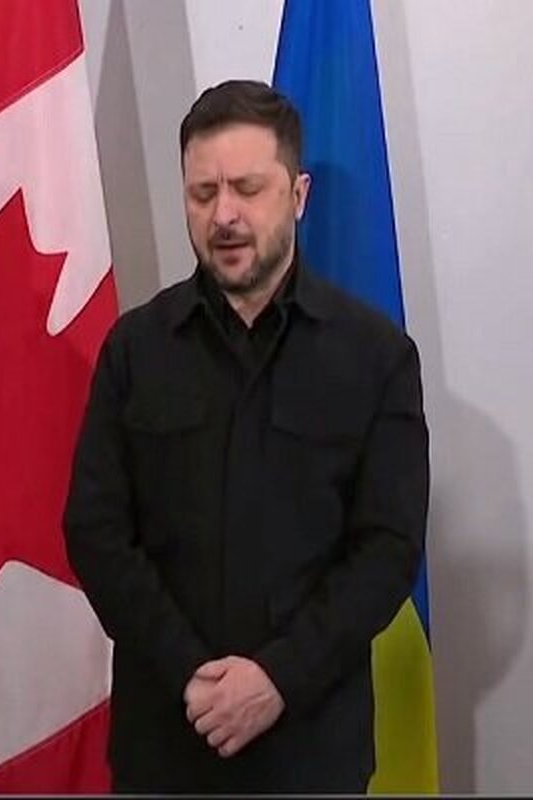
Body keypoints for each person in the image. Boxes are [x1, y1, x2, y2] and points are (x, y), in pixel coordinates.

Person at [64, 79, 429, 794]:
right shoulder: (135, 350)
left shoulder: (376, 357)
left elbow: (387, 550)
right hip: (165, 745)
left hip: (312, 751)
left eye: (247, 189)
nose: (224, 215)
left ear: (297, 195)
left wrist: (277, 679)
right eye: (203, 193)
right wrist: (192, 675)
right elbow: (95, 531)